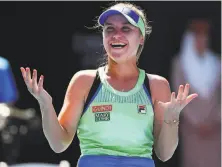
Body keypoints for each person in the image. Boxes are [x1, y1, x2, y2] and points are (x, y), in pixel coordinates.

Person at [20, 2, 198, 167]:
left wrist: (172, 119)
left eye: (126, 28)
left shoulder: (157, 85)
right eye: (109, 29)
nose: (116, 35)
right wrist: (45, 105)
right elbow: (59, 144)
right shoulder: (84, 81)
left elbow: (164, 153)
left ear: (141, 37)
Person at [170, 19, 221, 167]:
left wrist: (216, 119)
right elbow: (179, 96)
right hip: (192, 130)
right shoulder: (180, 64)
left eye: (204, 37)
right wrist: (197, 123)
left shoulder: (217, 63)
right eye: (198, 37)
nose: (202, 41)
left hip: (216, 128)